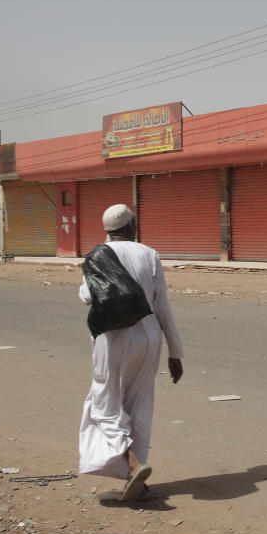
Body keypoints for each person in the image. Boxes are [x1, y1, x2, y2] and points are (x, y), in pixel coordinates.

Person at [78, 204, 183, 501]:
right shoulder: (149, 254)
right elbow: (162, 304)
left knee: (104, 402)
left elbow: (87, 295)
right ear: (131, 225)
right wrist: (175, 352)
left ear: (108, 229)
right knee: (140, 405)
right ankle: (135, 480)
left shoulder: (98, 255)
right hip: (149, 338)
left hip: (114, 340)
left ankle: (133, 465)